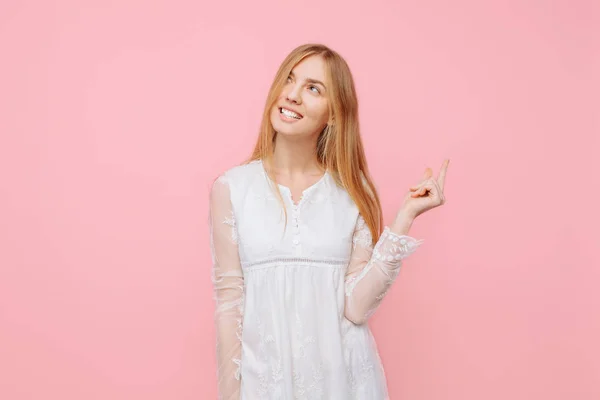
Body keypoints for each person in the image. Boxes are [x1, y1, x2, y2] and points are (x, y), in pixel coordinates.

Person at [208, 43, 449, 400]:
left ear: (333, 115)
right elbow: (230, 304)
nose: (292, 95)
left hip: (346, 384)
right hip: (267, 387)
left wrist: (403, 219)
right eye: (289, 80)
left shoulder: (354, 191)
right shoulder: (231, 188)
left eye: (313, 88)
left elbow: (356, 307)